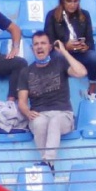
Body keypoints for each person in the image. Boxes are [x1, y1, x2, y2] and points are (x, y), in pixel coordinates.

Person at [15, 32, 87, 173]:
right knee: (39, 122)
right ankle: (49, 166)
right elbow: (22, 102)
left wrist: (64, 52)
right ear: (32, 48)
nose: (39, 47)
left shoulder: (60, 63)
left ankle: (46, 163)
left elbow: (81, 72)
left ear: (49, 47)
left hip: (63, 114)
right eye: (36, 44)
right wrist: (28, 112)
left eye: (43, 43)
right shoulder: (26, 72)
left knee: (54, 121)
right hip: (39, 114)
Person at [43, 0, 96, 100]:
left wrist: (85, 46)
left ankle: (92, 93)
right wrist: (65, 46)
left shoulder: (85, 15)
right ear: (62, 1)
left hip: (79, 53)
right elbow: (50, 42)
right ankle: (58, 94)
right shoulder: (52, 15)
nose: (73, 5)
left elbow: (90, 40)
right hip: (61, 53)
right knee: (58, 56)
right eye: (69, 1)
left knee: (94, 57)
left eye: (76, 1)